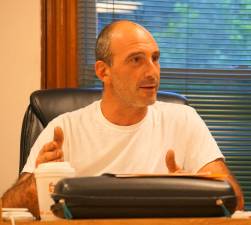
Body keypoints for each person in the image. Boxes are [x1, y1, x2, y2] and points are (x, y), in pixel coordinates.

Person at [2, 20, 244, 218]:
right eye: (136, 59)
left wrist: (193, 191)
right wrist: (42, 180)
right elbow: (7, 208)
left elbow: (234, 201)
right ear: (103, 71)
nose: (152, 71)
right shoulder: (64, 128)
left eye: (155, 58)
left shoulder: (183, 120)